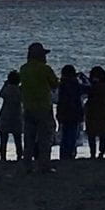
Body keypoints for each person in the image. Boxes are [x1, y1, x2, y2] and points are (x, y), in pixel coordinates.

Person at [20, 42, 60, 173]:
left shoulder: (23, 69)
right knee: (44, 138)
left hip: (28, 107)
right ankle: (44, 165)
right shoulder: (45, 69)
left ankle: (26, 165)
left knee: (29, 138)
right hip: (43, 107)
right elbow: (54, 84)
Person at [55, 65, 85, 160]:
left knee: (64, 135)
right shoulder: (76, 85)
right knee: (72, 135)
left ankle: (63, 155)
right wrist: (83, 77)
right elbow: (88, 88)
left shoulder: (61, 85)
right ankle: (70, 153)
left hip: (63, 113)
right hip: (74, 113)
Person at [85, 66, 105, 159]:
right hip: (102, 109)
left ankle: (93, 153)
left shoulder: (91, 84)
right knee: (102, 132)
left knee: (92, 133)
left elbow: (86, 92)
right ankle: (101, 152)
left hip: (92, 109)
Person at [0, 70, 24, 161]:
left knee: (3, 139)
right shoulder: (19, 90)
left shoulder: (7, 89)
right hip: (16, 116)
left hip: (5, 115)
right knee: (18, 139)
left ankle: (3, 157)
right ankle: (19, 156)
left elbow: (1, 94)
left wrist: (5, 84)